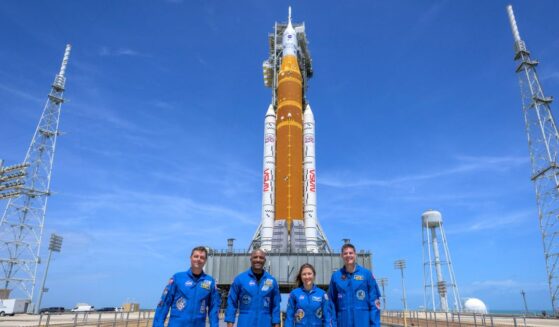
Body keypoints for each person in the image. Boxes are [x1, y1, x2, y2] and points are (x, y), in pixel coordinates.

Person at [153, 246, 221, 327]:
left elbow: (214, 309)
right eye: (196, 256)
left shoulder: (210, 282)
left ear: (205, 261)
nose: (198, 259)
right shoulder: (177, 278)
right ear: (190, 258)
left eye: (202, 257)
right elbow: (163, 305)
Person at [328, 243, 381, 327]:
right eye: (345, 253)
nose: (348, 255)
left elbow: (374, 303)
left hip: (363, 323)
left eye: (350, 253)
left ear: (355, 254)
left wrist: (375, 325)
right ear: (341, 256)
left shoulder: (366, 274)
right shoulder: (336, 277)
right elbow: (331, 304)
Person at [225, 249, 281, 327]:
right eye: (255, 257)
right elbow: (231, 303)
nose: (258, 260)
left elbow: (276, 305)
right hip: (245, 323)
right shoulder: (240, 279)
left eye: (261, 258)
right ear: (251, 259)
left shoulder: (272, 281)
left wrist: (276, 323)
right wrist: (230, 323)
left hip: (265, 323)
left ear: (264, 260)